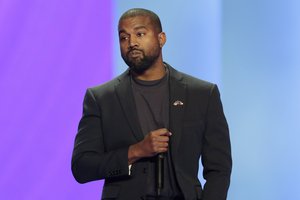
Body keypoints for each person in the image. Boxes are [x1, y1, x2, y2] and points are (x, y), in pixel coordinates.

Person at [71, 8, 232, 200]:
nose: (132, 43)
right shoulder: (101, 98)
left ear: (161, 39)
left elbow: (219, 168)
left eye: (140, 34)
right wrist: (136, 151)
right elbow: (82, 167)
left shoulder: (202, 94)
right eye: (124, 37)